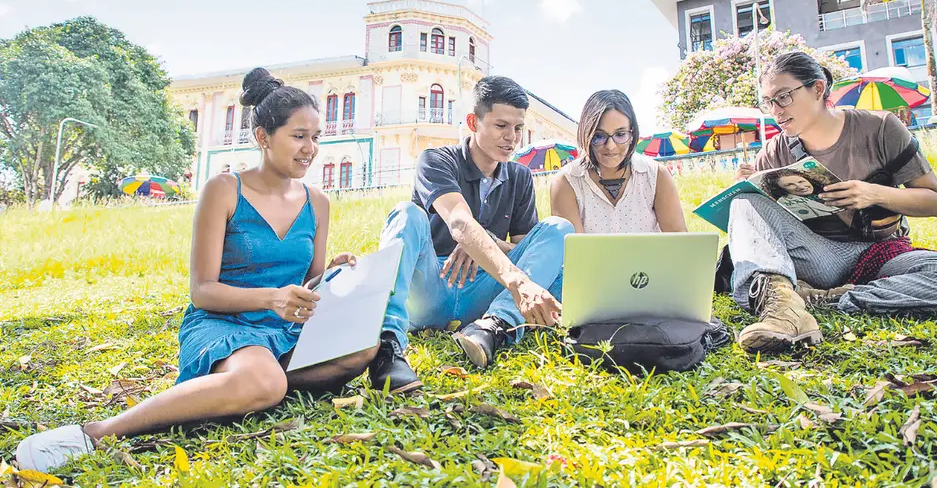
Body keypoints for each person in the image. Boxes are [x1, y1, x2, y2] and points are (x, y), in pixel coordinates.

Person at [16, 68, 376, 473]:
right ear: (263, 137)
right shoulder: (224, 190)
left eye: (316, 137)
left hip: (285, 330)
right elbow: (203, 290)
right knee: (267, 382)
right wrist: (272, 298)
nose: (310, 148)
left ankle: (238, 388)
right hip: (225, 324)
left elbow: (308, 282)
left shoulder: (318, 201)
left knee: (363, 349)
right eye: (298, 136)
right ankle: (98, 432)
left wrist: (332, 273)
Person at [730, 51, 937, 354]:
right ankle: (781, 310)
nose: (775, 109)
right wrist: (743, 189)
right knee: (745, 201)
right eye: (767, 102)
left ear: (817, 89)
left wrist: (874, 194)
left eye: (783, 96)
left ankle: (825, 299)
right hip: (816, 256)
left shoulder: (880, 129)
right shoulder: (775, 151)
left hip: (883, 254)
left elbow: (934, 201)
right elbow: (760, 231)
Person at [370, 76, 572, 390]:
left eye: (518, 128)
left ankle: (495, 325)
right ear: (472, 122)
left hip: (481, 290)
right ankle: (386, 346)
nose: (511, 138)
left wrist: (485, 241)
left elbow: (525, 253)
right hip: (432, 284)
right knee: (407, 213)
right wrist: (508, 271)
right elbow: (460, 223)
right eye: (501, 126)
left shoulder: (519, 177)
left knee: (560, 229)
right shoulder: (436, 160)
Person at [550, 89, 686, 234]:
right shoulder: (566, 182)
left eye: (620, 134)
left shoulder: (656, 175)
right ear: (586, 135)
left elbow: (678, 241)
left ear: (632, 134)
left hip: (651, 257)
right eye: (599, 136)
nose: (610, 146)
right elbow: (574, 251)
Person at [759, 169, 842, 221]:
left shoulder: (824, 190)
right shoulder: (787, 202)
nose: (801, 187)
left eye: (801, 181)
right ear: (781, 190)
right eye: (790, 185)